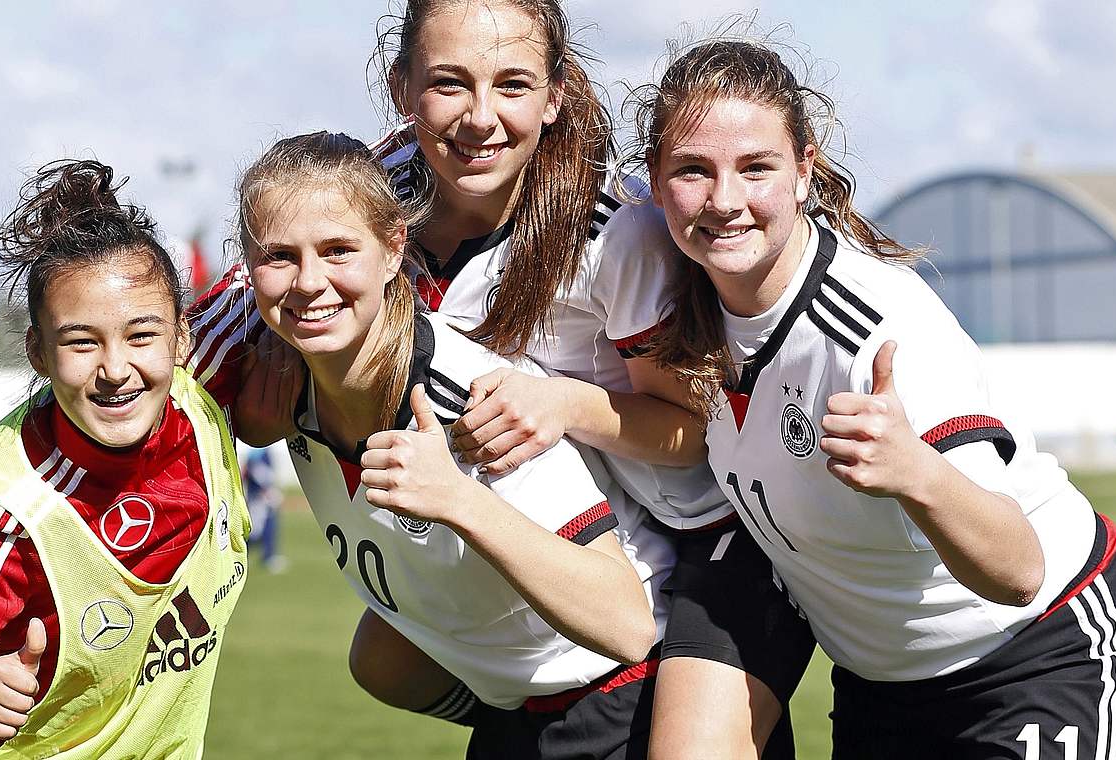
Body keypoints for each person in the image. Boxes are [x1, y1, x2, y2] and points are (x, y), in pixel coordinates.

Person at [188, 2, 813, 755]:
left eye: (512, 85)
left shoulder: (613, 233)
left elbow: (700, 432)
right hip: (586, 539)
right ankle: (531, 710)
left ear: (554, 95)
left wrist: (566, 403)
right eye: (449, 84)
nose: (481, 118)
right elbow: (235, 328)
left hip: (712, 540)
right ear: (403, 88)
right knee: (383, 660)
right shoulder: (376, 214)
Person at [633, 36, 1116, 757]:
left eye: (756, 167)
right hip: (881, 687)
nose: (725, 201)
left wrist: (918, 472)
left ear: (803, 171)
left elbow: (1018, 569)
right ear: (655, 184)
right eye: (693, 171)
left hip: (1036, 650)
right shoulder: (666, 288)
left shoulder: (877, 330)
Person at [234, 130, 659, 758]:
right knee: (377, 660)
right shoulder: (283, 385)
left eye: (339, 250)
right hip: (512, 714)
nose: (309, 281)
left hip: (618, 698)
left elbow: (627, 625)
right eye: (279, 256)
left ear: (392, 248)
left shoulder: (475, 398)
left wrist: (456, 499)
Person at [0, 159, 250, 759]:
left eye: (142, 335)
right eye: (81, 341)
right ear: (37, 352)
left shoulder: (197, 384)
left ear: (181, 336)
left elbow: (322, 230)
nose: (116, 369)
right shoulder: (1, 514)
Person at [242, 445, 287, 572]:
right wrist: (267, 489)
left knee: (268, 524)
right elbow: (258, 472)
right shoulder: (257, 451)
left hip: (261, 496)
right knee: (256, 530)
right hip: (259, 497)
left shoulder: (262, 450)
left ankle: (269, 555)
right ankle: (245, 554)